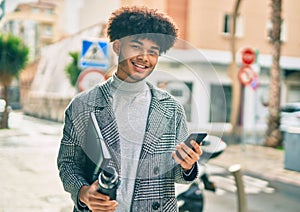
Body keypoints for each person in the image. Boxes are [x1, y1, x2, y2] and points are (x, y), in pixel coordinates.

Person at [57, 6, 202, 212]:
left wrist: (187, 165)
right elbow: (68, 163)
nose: (145, 57)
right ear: (117, 47)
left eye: (153, 52)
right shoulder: (82, 105)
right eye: (136, 47)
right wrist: (83, 193)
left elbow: (179, 176)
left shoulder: (171, 108)